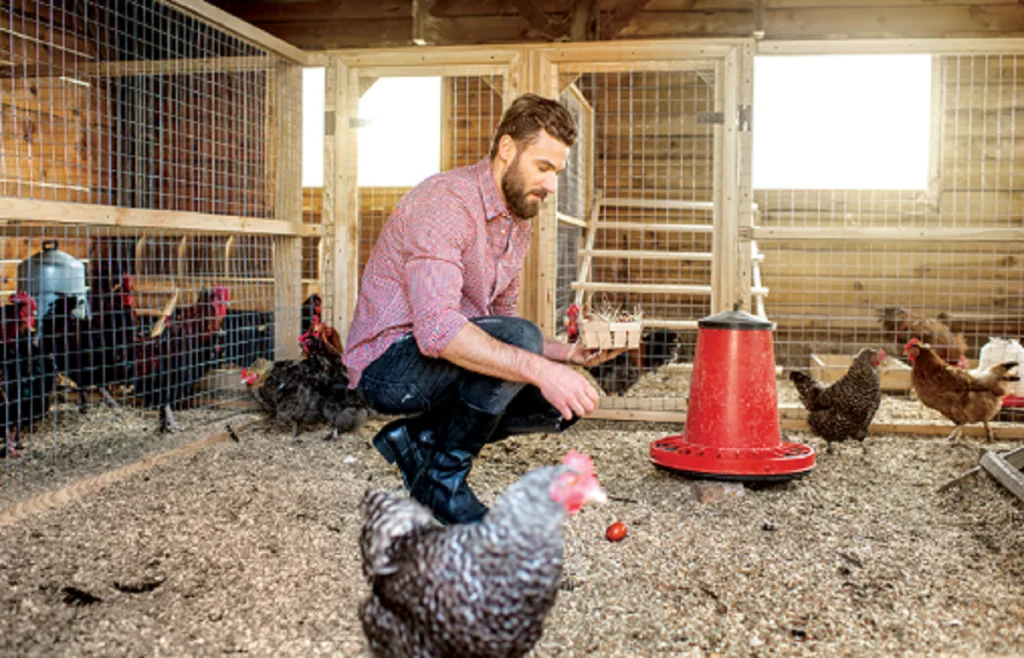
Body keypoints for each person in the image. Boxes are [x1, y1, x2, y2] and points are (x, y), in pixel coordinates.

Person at [343, 93, 623, 525]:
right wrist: (540, 367)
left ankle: (416, 440)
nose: (551, 186)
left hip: (439, 361)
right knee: (528, 356)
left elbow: (502, 324)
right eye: (543, 168)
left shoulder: (517, 222)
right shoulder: (446, 202)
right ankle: (441, 477)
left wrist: (566, 356)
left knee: (554, 405)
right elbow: (437, 330)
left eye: (557, 173)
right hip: (387, 366)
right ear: (507, 149)